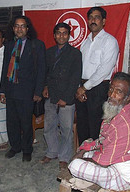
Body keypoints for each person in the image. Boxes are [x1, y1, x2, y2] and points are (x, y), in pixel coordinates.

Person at [68, 72, 130, 191]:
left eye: (119, 92)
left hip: (123, 177)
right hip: (116, 161)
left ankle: (93, 180)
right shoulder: (119, 111)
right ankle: (90, 178)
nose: (112, 95)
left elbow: (103, 162)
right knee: (86, 151)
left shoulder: (124, 124)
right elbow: (103, 140)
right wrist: (84, 151)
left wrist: (79, 158)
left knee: (74, 166)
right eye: (111, 89)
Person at [0, 15, 46, 162]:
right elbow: (5, 67)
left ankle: (27, 149)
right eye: (17, 26)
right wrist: (2, 90)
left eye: (22, 26)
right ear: (13, 29)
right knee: (11, 122)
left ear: (27, 28)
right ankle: (15, 147)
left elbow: (41, 70)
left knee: (26, 122)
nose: (19, 29)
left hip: (27, 91)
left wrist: (38, 91)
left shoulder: (36, 45)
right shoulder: (8, 45)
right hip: (11, 89)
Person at [40, 23, 82, 170]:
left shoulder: (75, 53)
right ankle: (52, 152)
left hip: (66, 96)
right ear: (54, 35)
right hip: (51, 94)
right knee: (49, 126)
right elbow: (45, 72)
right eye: (58, 33)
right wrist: (45, 86)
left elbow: (75, 78)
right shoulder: (49, 52)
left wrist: (66, 97)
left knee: (66, 128)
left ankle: (64, 156)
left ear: (69, 36)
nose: (61, 36)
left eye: (64, 33)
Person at [76, 7, 119, 145]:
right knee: (82, 122)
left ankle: (95, 155)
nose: (93, 20)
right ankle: (83, 154)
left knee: (95, 123)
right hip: (82, 86)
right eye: (90, 17)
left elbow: (104, 69)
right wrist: (79, 87)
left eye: (97, 17)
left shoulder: (109, 41)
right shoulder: (86, 42)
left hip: (98, 87)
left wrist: (85, 87)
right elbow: (80, 67)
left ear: (104, 21)